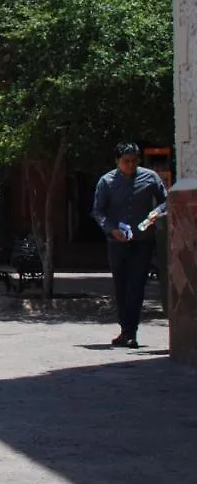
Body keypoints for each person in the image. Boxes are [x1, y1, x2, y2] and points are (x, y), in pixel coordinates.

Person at [92, 142, 168, 349]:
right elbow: (98, 211)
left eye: (134, 161)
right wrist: (111, 229)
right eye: (126, 161)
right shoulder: (106, 182)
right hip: (117, 241)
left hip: (142, 241)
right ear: (117, 161)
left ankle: (130, 332)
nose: (131, 165)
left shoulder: (150, 177)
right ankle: (125, 329)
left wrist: (156, 213)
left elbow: (167, 200)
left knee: (136, 286)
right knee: (121, 286)